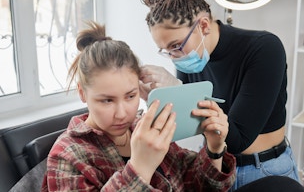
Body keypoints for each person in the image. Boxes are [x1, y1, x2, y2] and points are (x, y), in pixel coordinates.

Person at [139, 0, 300, 190]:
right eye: (165, 51)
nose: (174, 58)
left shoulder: (264, 49)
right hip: (212, 166)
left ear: (203, 25)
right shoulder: (190, 58)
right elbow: (193, 125)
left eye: (176, 46)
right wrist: (160, 101)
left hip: (262, 171)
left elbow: (237, 140)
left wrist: (180, 91)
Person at [40, 20, 236, 191]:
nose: (122, 114)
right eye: (107, 100)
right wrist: (140, 167)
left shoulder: (144, 129)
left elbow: (198, 186)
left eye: (130, 96)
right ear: (82, 93)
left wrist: (214, 147)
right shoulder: (67, 155)